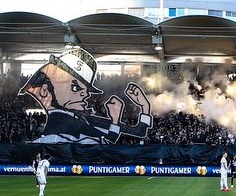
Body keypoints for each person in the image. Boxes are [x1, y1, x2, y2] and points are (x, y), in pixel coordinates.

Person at [18, 47, 152, 144]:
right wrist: (115, 122)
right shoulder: (64, 126)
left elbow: (137, 132)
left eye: (86, 89)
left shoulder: (82, 118)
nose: (85, 94)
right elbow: (105, 144)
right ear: (44, 91)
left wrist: (144, 107)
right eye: (75, 87)